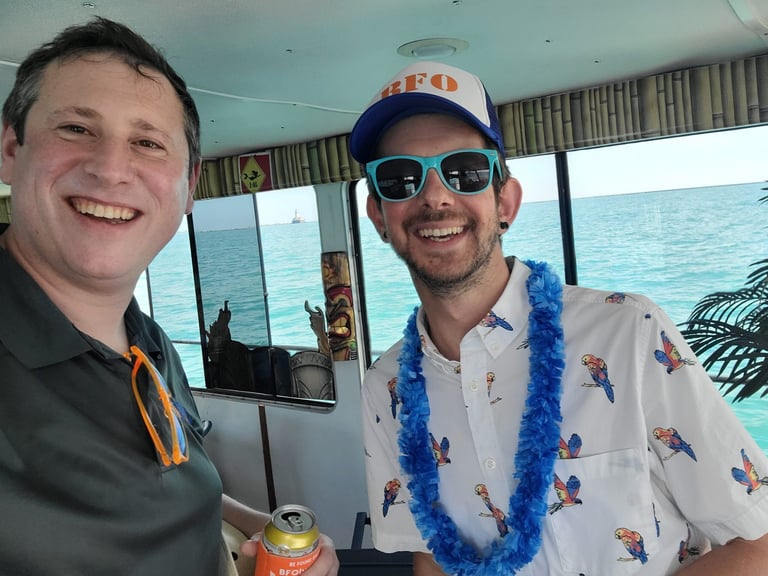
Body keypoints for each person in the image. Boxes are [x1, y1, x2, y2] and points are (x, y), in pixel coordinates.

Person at [350, 60, 768, 575]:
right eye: (398, 178)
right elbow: (431, 556)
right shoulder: (384, 388)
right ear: (378, 216)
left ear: (505, 201)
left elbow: (759, 542)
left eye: (465, 171)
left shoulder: (628, 334)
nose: (434, 196)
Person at [0, 17, 338, 576]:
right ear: (12, 149)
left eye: (147, 143)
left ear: (188, 186)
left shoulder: (149, 343)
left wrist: (258, 525)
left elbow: (178, 479)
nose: (111, 169)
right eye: (77, 129)